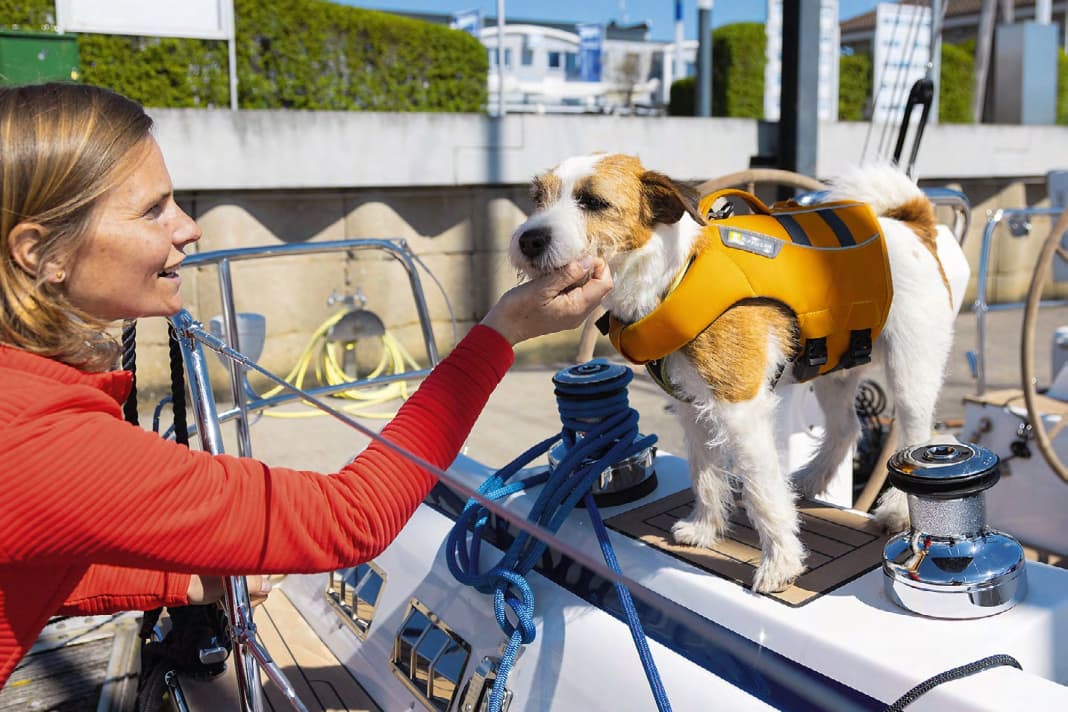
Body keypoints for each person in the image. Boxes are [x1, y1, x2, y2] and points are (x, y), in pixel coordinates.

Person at [0, 82, 612, 690]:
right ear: (39, 253)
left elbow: (32, 565)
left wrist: (178, 581)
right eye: (153, 209)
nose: (189, 229)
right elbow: (352, 518)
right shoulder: (42, 438)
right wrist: (501, 332)